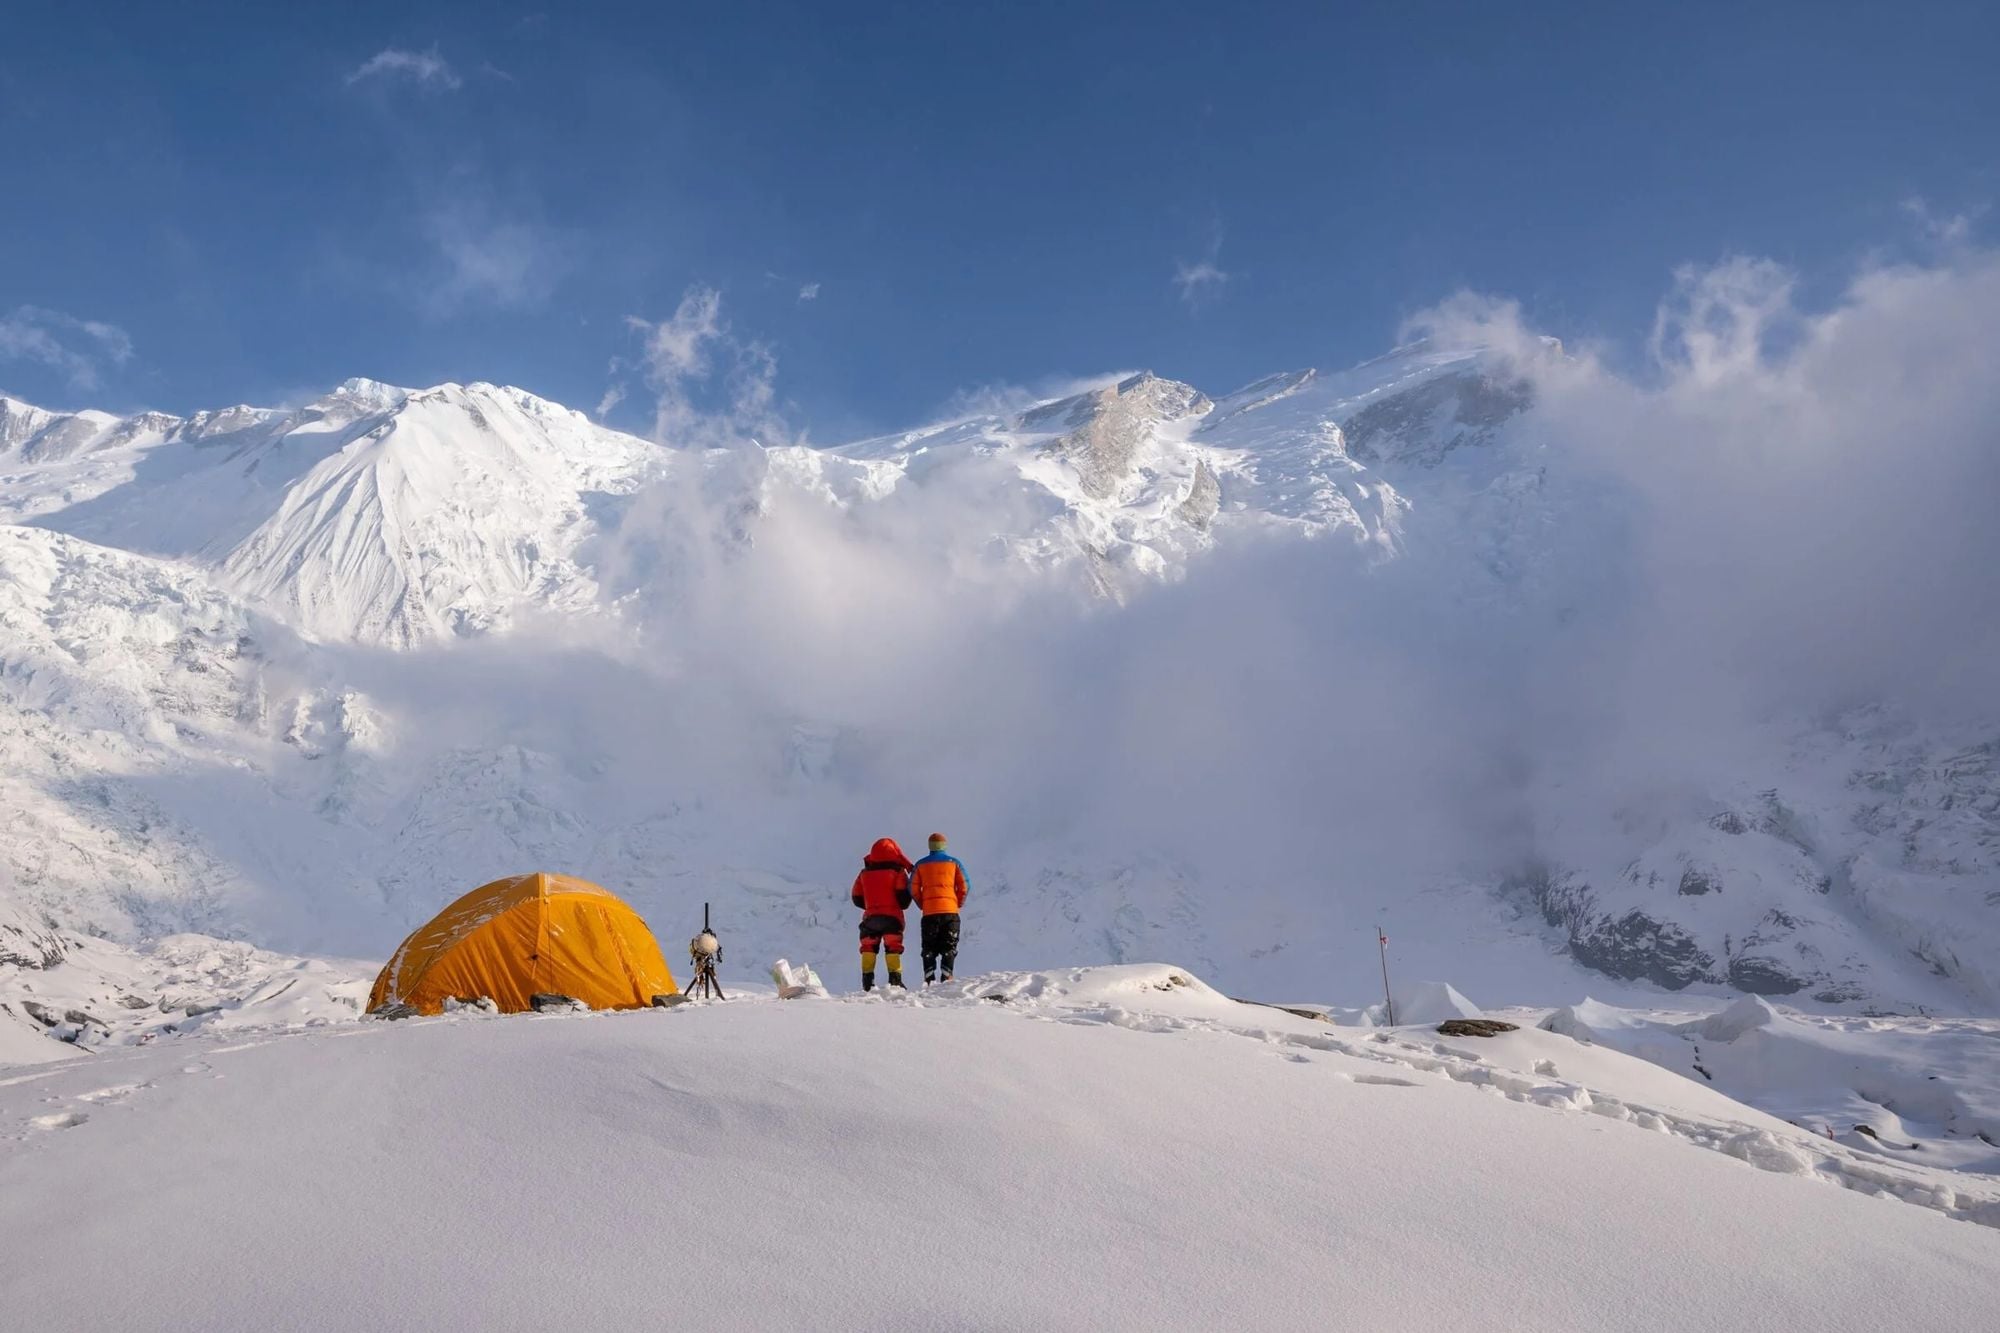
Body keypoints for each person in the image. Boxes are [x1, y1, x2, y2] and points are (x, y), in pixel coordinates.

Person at [849, 837, 913, 991]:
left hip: (870, 917)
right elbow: (903, 901)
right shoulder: (898, 872)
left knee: (868, 947)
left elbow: (856, 898)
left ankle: (867, 981)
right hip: (892, 918)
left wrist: (871, 906)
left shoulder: (864, 873)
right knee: (893, 947)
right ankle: (895, 980)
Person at [911, 832, 970, 983]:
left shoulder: (920, 865)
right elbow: (965, 886)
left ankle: (929, 978)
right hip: (950, 911)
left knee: (929, 947)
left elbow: (912, 888)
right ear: (944, 846)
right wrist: (958, 903)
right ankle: (947, 975)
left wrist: (923, 904)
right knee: (949, 946)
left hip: (929, 912)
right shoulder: (954, 863)